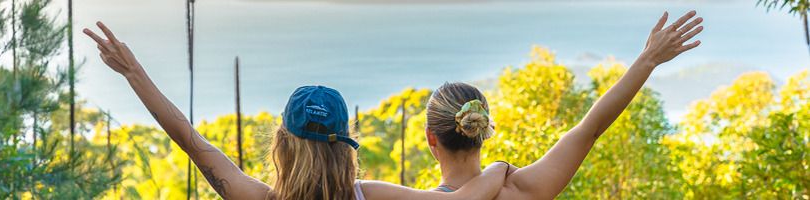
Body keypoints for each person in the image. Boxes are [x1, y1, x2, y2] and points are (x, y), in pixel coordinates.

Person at [82, 22, 510, 200]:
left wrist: (132, 72)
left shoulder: (254, 197)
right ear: (346, 146)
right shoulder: (369, 195)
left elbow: (187, 137)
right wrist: (498, 168)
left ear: (282, 145)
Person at [422, 11, 703, 199]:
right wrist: (648, 59)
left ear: (430, 137)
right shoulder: (524, 190)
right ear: (482, 129)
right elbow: (590, 128)